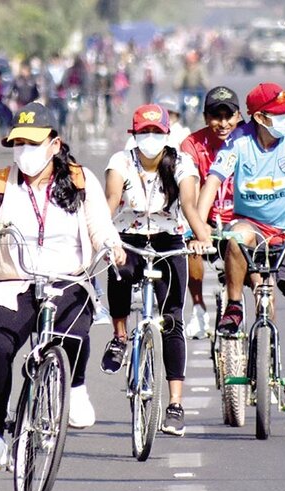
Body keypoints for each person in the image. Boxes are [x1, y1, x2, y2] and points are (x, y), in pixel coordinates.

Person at [0, 102, 125, 467]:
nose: (25, 151)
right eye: (18, 142)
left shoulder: (82, 180)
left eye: (34, 142)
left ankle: (75, 384)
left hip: (68, 279)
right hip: (13, 280)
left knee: (72, 333)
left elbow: (100, 226)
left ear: (55, 144)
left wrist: (111, 246)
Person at [196, 82, 285, 410]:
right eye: (277, 114)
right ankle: (234, 306)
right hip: (253, 227)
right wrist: (201, 228)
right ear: (259, 117)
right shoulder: (238, 140)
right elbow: (214, 181)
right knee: (237, 237)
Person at [100, 104, 213, 437]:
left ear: (167, 134)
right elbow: (111, 201)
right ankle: (120, 337)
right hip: (130, 236)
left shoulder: (182, 163)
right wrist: (100, 236)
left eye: (156, 133)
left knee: (173, 320)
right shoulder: (120, 162)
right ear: (134, 135)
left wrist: (202, 238)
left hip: (168, 239)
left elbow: (190, 207)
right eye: (144, 133)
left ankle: (175, 404)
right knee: (118, 267)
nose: (150, 139)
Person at [179, 86, 242, 339]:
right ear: (206, 118)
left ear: (238, 116)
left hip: (242, 220)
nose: (223, 123)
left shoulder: (249, 139)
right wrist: (199, 226)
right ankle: (197, 308)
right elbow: (190, 189)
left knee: (262, 280)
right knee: (190, 240)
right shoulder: (192, 144)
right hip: (206, 218)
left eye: (229, 117)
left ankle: (265, 347)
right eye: (217, 117)